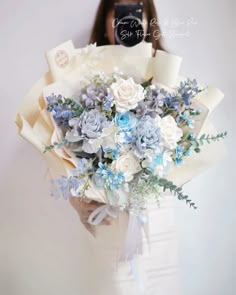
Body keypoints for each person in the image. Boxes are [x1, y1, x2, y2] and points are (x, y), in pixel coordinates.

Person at [69, 1, 182, 294]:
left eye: (137, 9)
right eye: (119, 10)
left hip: (155, 209)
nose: (128, 18)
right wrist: (79, 197)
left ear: (148, 19)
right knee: (115, 284)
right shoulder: (83, 74)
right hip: (110, 211)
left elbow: (182, 146)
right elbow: (65, 151)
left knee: (160, 280)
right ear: (105, 18)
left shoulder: (167, 71)